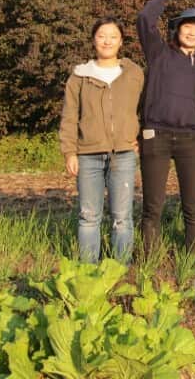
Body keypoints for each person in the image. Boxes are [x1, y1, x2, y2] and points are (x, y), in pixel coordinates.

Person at [136, 0, 195, 252]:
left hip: (192, 140)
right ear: (177, 30)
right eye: (187, 26)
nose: (192, 32)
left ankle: (191, 262)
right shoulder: (159, 54)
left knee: (193, 206)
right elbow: (145, 20)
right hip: (156, 136)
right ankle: (149, 261)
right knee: (152, 206)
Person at [60, 16, 145, 264]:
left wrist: (138, 136)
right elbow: (69, 116)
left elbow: (146, 108)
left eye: (113, 36)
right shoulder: (79, 76)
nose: (107, 41)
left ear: (121, 42)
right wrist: (69, 151)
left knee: (122, 217)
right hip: (88, 155)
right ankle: (89, 272)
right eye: (101, 36)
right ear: (93, 40)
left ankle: (120, 269)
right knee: (89, 216)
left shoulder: (133, 73)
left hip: (124, 154)